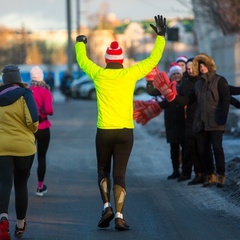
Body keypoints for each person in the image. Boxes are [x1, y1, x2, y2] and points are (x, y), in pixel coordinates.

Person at [75, 15, 166, 230]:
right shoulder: (130, 74)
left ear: (106, 60)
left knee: (102, 170)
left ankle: (106, 206)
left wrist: (80, 43)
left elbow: (82, 61)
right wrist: (160, 36)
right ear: (121, 60)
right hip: (125, 131)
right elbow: (153, 60)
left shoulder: (98, 74)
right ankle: (119, 216)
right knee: (120, 175)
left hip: (104, 130)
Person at [153, 53, 231, 188]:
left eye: (204, 65)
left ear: (209, 66)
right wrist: (172, 96)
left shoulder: (220, 80)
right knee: (203, 150)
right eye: (199, 66)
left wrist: (222, 117)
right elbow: (187, 100)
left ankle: (221, 175)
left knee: (217, 149)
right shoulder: (198, 85)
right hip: (201, 123)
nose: (202, 68)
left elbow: (225, 100)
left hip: (215, 122)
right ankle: (210, 175)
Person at [0, 64, 39, 239]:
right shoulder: (25, 95)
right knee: (21, 185)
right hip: (24, 147)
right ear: (18, 78)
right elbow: (33, 121)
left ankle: (3, 219)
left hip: (1, 147)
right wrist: (32, 131)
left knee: (4, 184)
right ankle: (21, 225)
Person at [29, 66, 54, 197]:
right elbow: (50, 110)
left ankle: (21, 184)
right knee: (41, 158)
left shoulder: (27, 91)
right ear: (41, 76)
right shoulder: (46, 91)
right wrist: (42, 112)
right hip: (44, 128)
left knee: (27, 157)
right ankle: (40, 187)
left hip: (30, 129)